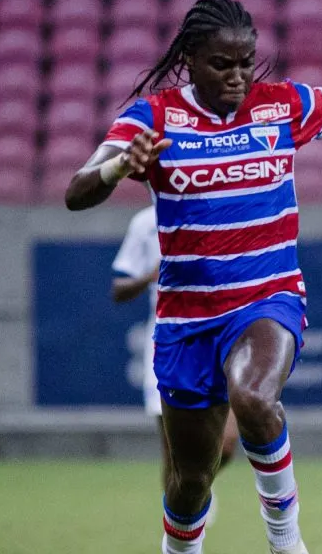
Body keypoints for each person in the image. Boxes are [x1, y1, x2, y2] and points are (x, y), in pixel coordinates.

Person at [65, 0, 322, 554]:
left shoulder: (282, 106)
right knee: (190, 482)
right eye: (220, 65)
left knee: (254, 397)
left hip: (267, 298)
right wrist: (117, 166)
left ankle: (286, 540)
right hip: (186, 321)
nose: (236, 76)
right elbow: (76, 191)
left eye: (245, 62)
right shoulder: (152, 118)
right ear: (190, 59)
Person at [111, 204, 240, 506]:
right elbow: (118, 289)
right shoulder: (144, 223)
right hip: (169, 341)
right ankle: (182, 528)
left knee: (228, 443)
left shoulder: (213, 205)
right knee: (173, 454)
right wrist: (151, 276)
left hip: (220, 334)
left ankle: (196, 486)